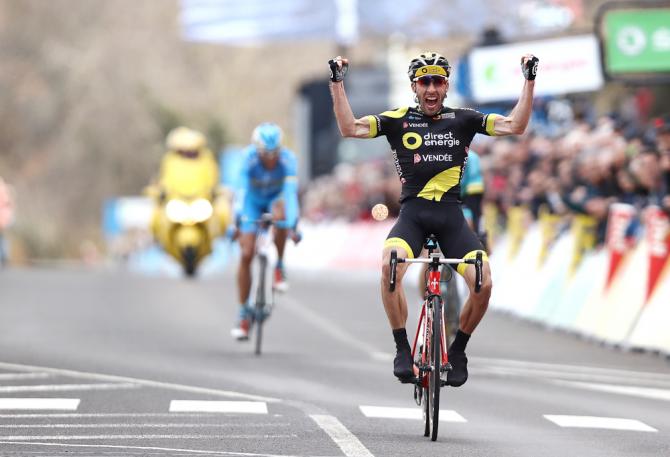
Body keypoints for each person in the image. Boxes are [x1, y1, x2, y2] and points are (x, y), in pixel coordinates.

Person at [328, 51, 537, 386]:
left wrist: (529, 80)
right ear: (414, 86)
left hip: (452, 217)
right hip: (413, 215)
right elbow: (349, 128)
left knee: (484, 282)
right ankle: (402, 348)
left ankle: (458, 351)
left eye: (437, 81)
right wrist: (337, 84)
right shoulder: (398, 119)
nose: (431, 88)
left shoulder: (463, 119)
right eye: (424, 81)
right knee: (390, 266)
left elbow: (516, 125)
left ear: (446, 86)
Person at [231, 122, 300, 340]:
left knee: (282, 216)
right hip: (252, 202)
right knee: (246, 253)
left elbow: (290, 194)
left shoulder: (289, 160)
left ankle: (279, 265)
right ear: (257, 150)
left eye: (274, 154)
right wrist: (237, 220)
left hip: (275, 200)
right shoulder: (247, 158)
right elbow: (240, 191)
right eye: (265, 154)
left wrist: (293, 223)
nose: (270, 159)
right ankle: (243, 313)